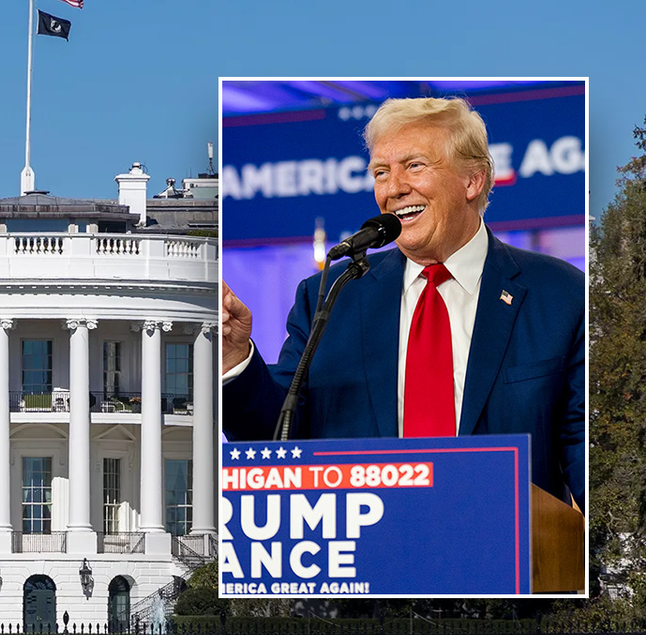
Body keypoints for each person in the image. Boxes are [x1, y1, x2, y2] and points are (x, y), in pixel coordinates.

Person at [221, 97, 585, 511]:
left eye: (414, 166)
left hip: (514, 561)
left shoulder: (560, 294)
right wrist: (235, 360)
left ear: (473, 181)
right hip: (368, 560)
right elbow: (280, 441)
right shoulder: (330, 297)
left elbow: (589, 457)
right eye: (381, 172)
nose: (393, 188)